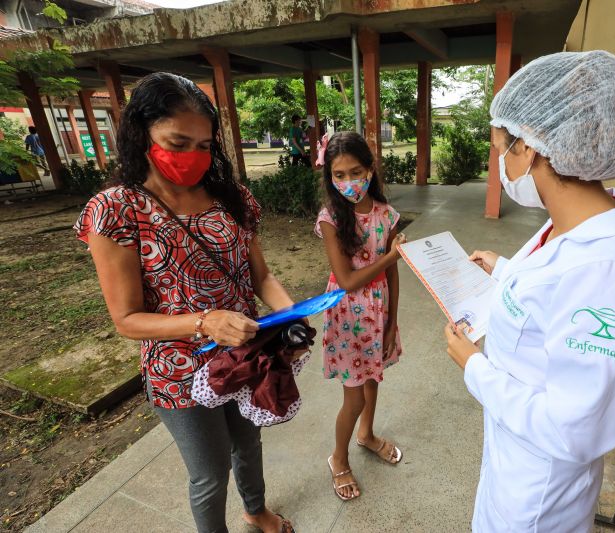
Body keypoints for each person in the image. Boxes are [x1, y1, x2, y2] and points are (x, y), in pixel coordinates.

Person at [443, 50, 615, 532]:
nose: (501, 162)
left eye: (503, 148)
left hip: (539, 504)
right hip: (511, 466)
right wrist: (504, 271)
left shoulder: (610, 273)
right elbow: (554, 293)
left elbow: (576, 430)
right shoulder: (574, 224)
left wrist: (473, 366)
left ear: (533, 148)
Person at [74, 72, 297, 533]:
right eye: (178, 142)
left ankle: (255, 511)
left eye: (203, 145)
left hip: (245, 355)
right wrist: (205, 322)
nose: (192, 157)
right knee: (210, 473)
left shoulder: (232, 198)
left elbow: (262, 276)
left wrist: (290, 317)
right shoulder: (117, 210)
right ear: (141, 133)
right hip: (178, 372)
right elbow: (127, 319)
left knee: (248, 443)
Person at [314, 131, 407, 501]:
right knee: (352, 397)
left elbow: (393, 274)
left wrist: (392, 321)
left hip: (379, 312)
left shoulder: (387, 215)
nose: (349, 182)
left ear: (370, 168)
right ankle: (338, 458)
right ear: (329, 177)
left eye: (356, 171)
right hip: (347, 317)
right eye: (339, 175)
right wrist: (390, 257)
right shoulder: (330, 220)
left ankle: (366, 435)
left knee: (374, 379)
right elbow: (349, 280)